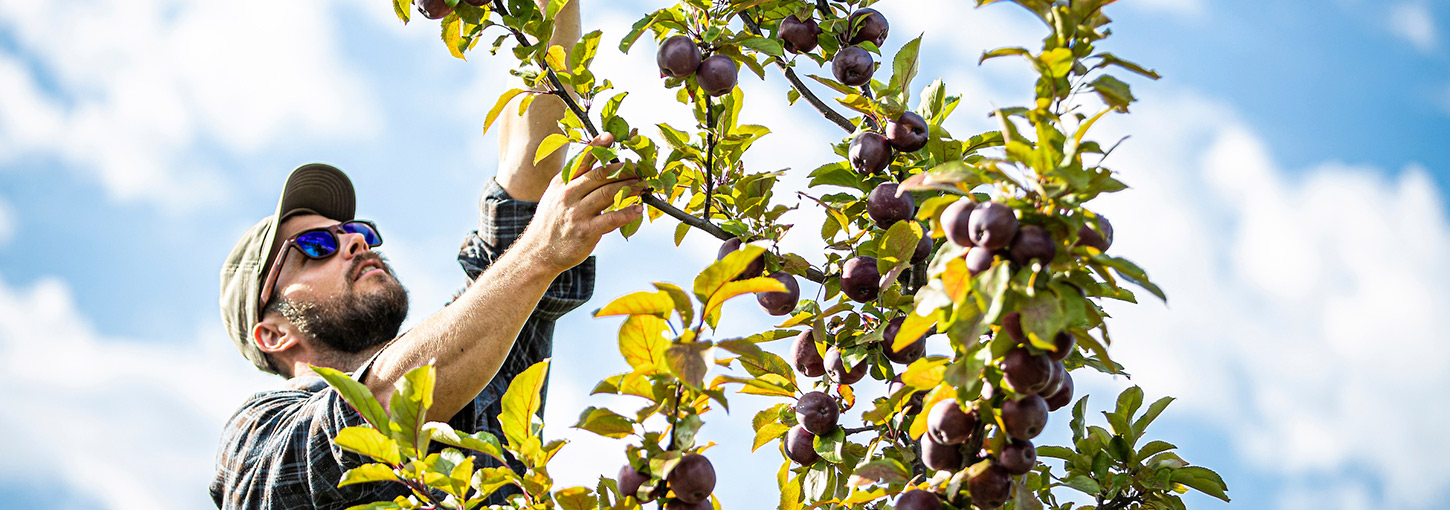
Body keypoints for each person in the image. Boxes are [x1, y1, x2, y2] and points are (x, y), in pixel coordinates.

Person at [208, 2, 638, 508]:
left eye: (356, 229)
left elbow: (527, 179)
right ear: (274, 333)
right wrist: (536, 257)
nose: (354, 241)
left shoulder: (477, 353)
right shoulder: (253, 442)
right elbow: (372, 413)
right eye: (315, 247)